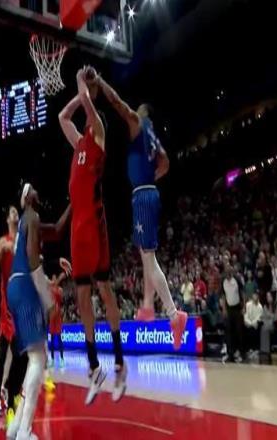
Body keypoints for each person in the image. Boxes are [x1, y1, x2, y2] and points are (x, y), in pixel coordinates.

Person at [94, 73, 187, 348]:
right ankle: (147, 305)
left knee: (148, 257)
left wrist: (100, 82)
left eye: (138, 110)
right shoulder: (154, 137)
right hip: (148, 192)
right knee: (146, 255)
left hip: (143, 195)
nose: (134, 112)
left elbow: (118, 103)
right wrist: (151, 176)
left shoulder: (138, 123)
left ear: (143, 113)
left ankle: (174, 314)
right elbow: (166, 163)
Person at [59, 67, 127, 405]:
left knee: (104, 288)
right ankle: (94, 366)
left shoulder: (98, 132)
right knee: (82, 296)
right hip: (77, 228)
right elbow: (62, 117)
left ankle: (119, 361)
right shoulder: (78, 144)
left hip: (95, 224)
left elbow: (87, 104)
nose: (86, 113)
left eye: (89, 110)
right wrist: (79, 92)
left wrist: (82, 84)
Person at [6, 183, 69, 440]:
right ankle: (24, 431)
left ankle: (15, 426)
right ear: (26, 198)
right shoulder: (31, 215)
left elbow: (56, 230)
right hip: (25, 284)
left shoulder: (29, 221)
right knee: (38, 359)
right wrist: (48, 300)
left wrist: (74, 204)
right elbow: (33, 260)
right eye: (31, 189)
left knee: (37, 356)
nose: (36, 191)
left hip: (16, 286)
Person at [0, 206, 28, 418]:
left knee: (22, 355)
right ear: (7, 219)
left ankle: (9, 387)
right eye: (11, 212)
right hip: (7, 306)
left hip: (22, 304)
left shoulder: (23, 240)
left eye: (16, 211)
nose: (15, 213)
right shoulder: (3, 241)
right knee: (3, 354)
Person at [221, 264, 245, 363]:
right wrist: (224, 309)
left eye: (228, 272)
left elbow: (242, 293)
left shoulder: (237, 279)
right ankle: (230, 354)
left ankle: (241, 353)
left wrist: (244, 307)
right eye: (225, 272)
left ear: (231, 272)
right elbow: (223, 296)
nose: (227, 274)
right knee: (229, 332)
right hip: (229, 308)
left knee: (239, 331)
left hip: (237, 308)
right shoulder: (223, 281)